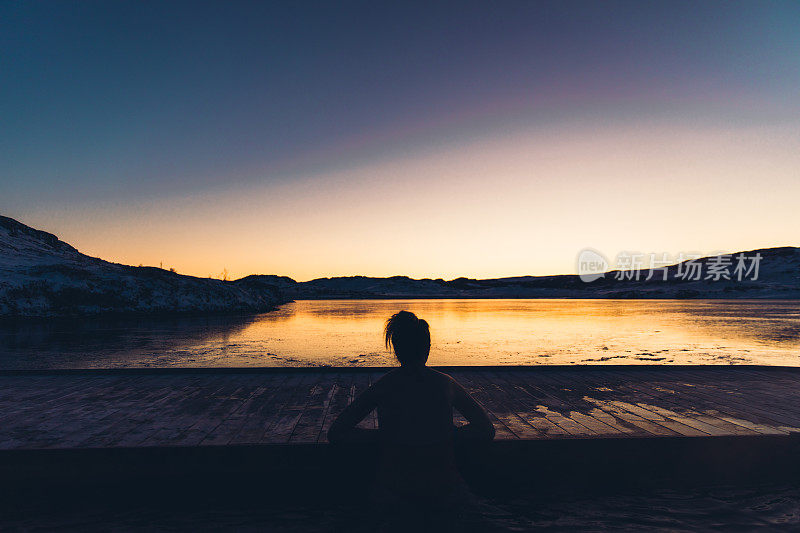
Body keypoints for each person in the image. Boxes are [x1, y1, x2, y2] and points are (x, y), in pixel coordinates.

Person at [328, 310, 495, 506]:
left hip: (393, 489)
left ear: (396, 349)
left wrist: (384, 437)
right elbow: (486, 429)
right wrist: (449, 435)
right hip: (445, 488)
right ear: (428, 348)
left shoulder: (384, 386)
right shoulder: (445, 384)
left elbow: (337, 433)